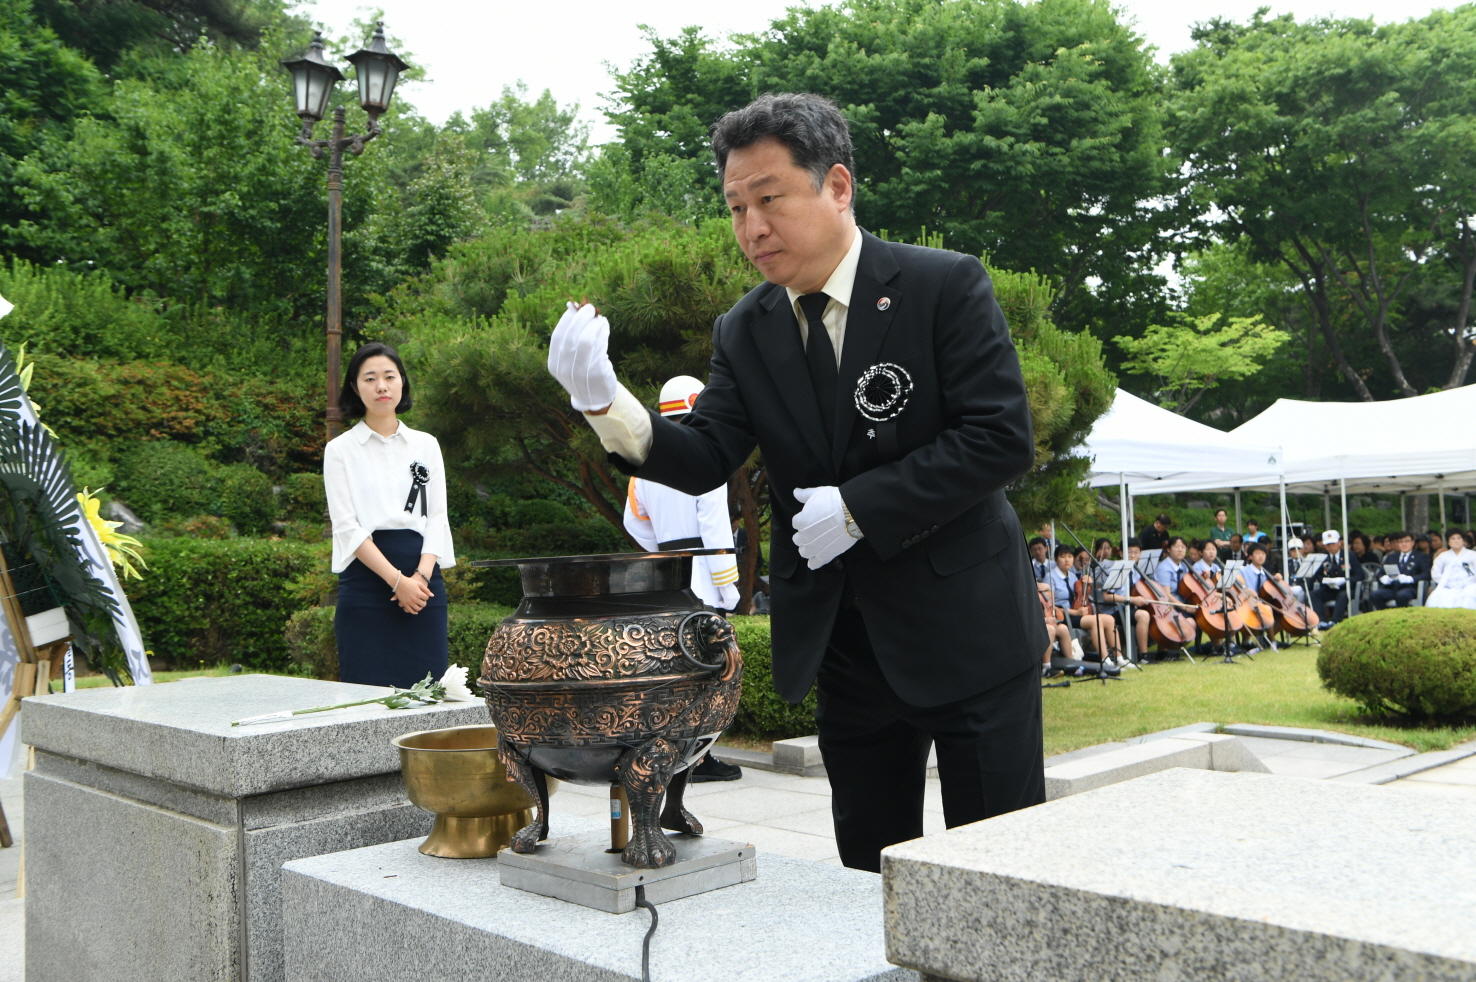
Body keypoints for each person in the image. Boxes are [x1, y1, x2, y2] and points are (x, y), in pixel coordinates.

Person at [545, 93, 1047, 872]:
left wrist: (859, 507)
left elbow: (999, 438)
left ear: (837, 186)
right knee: (865, 873)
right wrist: (609, 406)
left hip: (969, 631)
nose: (752, 228)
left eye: (769, 198)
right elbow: (708, 453)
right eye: (736, 206)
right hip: (846, 641)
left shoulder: (942, 286)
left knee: (1007, 869)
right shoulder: (746, 328)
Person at [623, 375, 744, 784]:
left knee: (675, 671)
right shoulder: (703, 452)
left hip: (670, 576)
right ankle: (700, 757)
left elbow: (632, 521)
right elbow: (714, 525)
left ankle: (670, 754)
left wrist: (662, 551)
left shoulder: (646, 461)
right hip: (704, 574)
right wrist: (728, 587)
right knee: (709, 672)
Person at [323, 343, 455, 687]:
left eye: (389, 376)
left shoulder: (427, 445)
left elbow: (437, 517)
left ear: (401, 383)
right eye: (370, 378)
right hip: (366, 584)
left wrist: (420, 580)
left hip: (423, 586)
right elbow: (347, 527)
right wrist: (398, 582)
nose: (381, 386)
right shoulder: (340, 450)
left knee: (428, 696)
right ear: (355, 387)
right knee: (365, 697)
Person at [1049, 545, 1123, 668]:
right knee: (1096, 620)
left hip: (1075, 613)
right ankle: (1105, 659)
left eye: (1070, 556)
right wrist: (1075, 612)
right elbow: (1050, 607)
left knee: (1110, 619)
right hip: (1063, 615)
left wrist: (1088, 584)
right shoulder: (1050, 577)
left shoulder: (1073, 576)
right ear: (1056, 559)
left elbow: (1081, 595)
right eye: (1063, 557)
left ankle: (1119, 657)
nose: (1067, 560)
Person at [1310, 530, 1362, 628]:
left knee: (1343, 595)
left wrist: (1345, 580)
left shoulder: (1349, 556)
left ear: (1339, 543)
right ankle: (1321, 621)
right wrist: (1326, 581)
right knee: (1314, 595)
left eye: (1333, 543)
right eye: (1328, 544)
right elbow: (1318, 575)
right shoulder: (1323, 557)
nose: (1331, 546)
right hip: (1330, 588)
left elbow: (1359, 575)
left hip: (1347, 588)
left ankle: (1335, 621)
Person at [1369, 530, 1431, 609]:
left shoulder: (1421, 557)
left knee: (1402, 595)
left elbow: (1426, 574)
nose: (1404, 544)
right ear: (1397, 544)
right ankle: (1385, 616)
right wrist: (1382, 578)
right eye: (1401, 542)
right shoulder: (1391, 557)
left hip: (1410, 588)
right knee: (1375, 594)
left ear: (1413, 542)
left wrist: (1411, 579)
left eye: (1407, 541)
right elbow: (1380, 573)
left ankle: (1402, 617)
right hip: (1392, 588)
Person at [1427, 530, 1476, 609]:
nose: (1456, 541)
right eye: (1453, 539)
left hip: (1470, 585)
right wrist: (1448, 582)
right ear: (1448, 542)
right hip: (1447, 586)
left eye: (1459, 538)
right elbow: (1435, 573)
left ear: (1463, 541)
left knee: (1468, 597)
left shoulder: (1473, 555)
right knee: (1436, 597)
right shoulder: (1442, 556)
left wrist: (1465, 582)